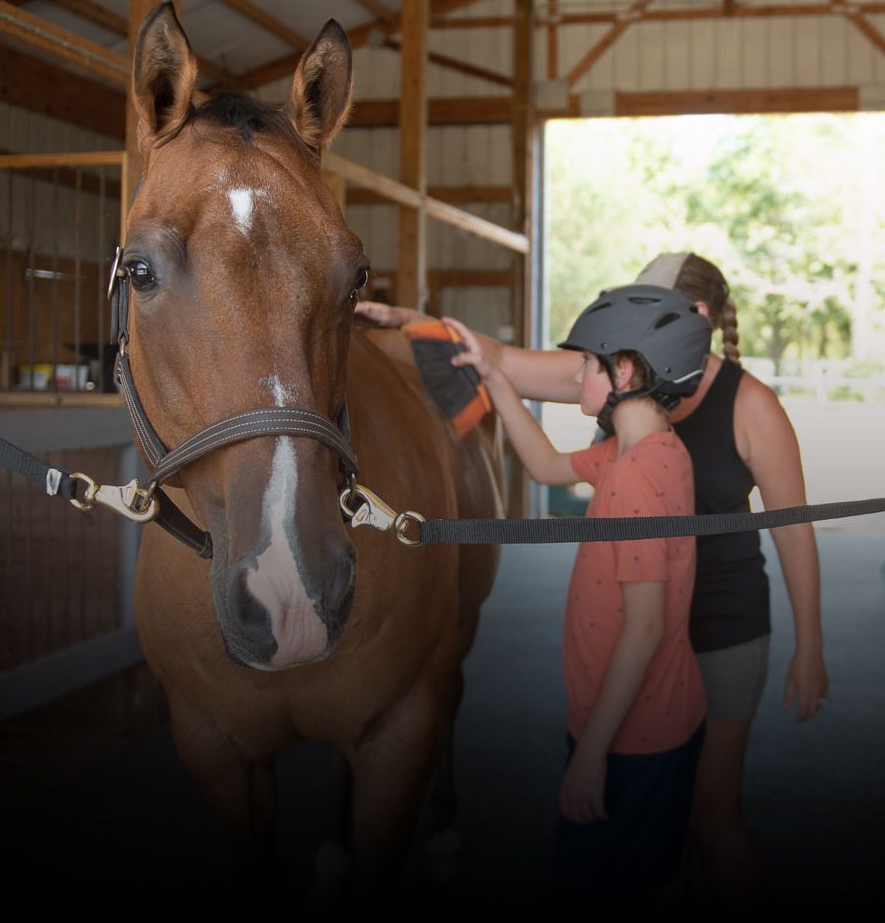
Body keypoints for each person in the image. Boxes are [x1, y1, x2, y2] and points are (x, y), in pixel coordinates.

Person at [355, 252, 829, 903]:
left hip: (716, 630)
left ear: (667, 334)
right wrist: (417, 327)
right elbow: (517, 395)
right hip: (659, 661)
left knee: (705, 818)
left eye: (590, 362)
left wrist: (811, 645)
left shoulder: (708, 428)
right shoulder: (641, 434)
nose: (578, 370)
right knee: (662, 832)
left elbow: (787, 531)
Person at [444, 282, 711, 904]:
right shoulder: (649, 451)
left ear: (623, 372)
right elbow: (546, 466)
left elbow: (643, 628)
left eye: (586, 363)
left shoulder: (632, 482)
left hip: (629, 737)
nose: (577, 374)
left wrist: (591, 755)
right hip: (657, 719)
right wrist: (497, 379)